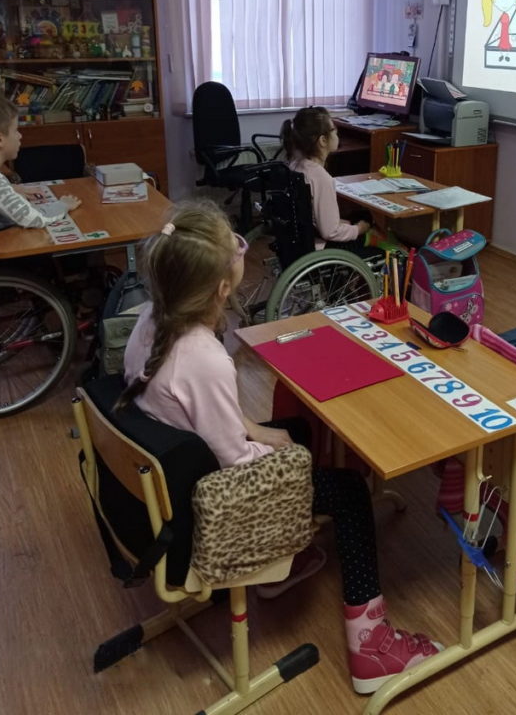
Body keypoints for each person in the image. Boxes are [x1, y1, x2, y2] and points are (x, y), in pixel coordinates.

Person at [117, 201, 440, 694]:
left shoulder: (150, 319)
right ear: (222, 288)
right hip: (213, 501)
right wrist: (287, 458)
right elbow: (236, 461)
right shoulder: (203, 358)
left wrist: (261, 431)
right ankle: (372, 648)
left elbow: (201, 416)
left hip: (178, 470)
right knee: (350, 492)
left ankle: (279, 566)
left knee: (294, 429)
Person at [0, 95, 81, 236]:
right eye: (15, 130)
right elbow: (35, 218)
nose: (20, 136)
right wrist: (63, 205)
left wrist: (9, 190)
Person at [281, 106, 378, 258]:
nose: (337, 133)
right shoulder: (320, 177)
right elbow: (330, 232)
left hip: (299, 241)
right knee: (375, 243)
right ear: (323, 140)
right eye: (334, 130)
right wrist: (358, 229)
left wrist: (345, 223)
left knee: (356, 216)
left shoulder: (294, 165)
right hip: (320, 248)